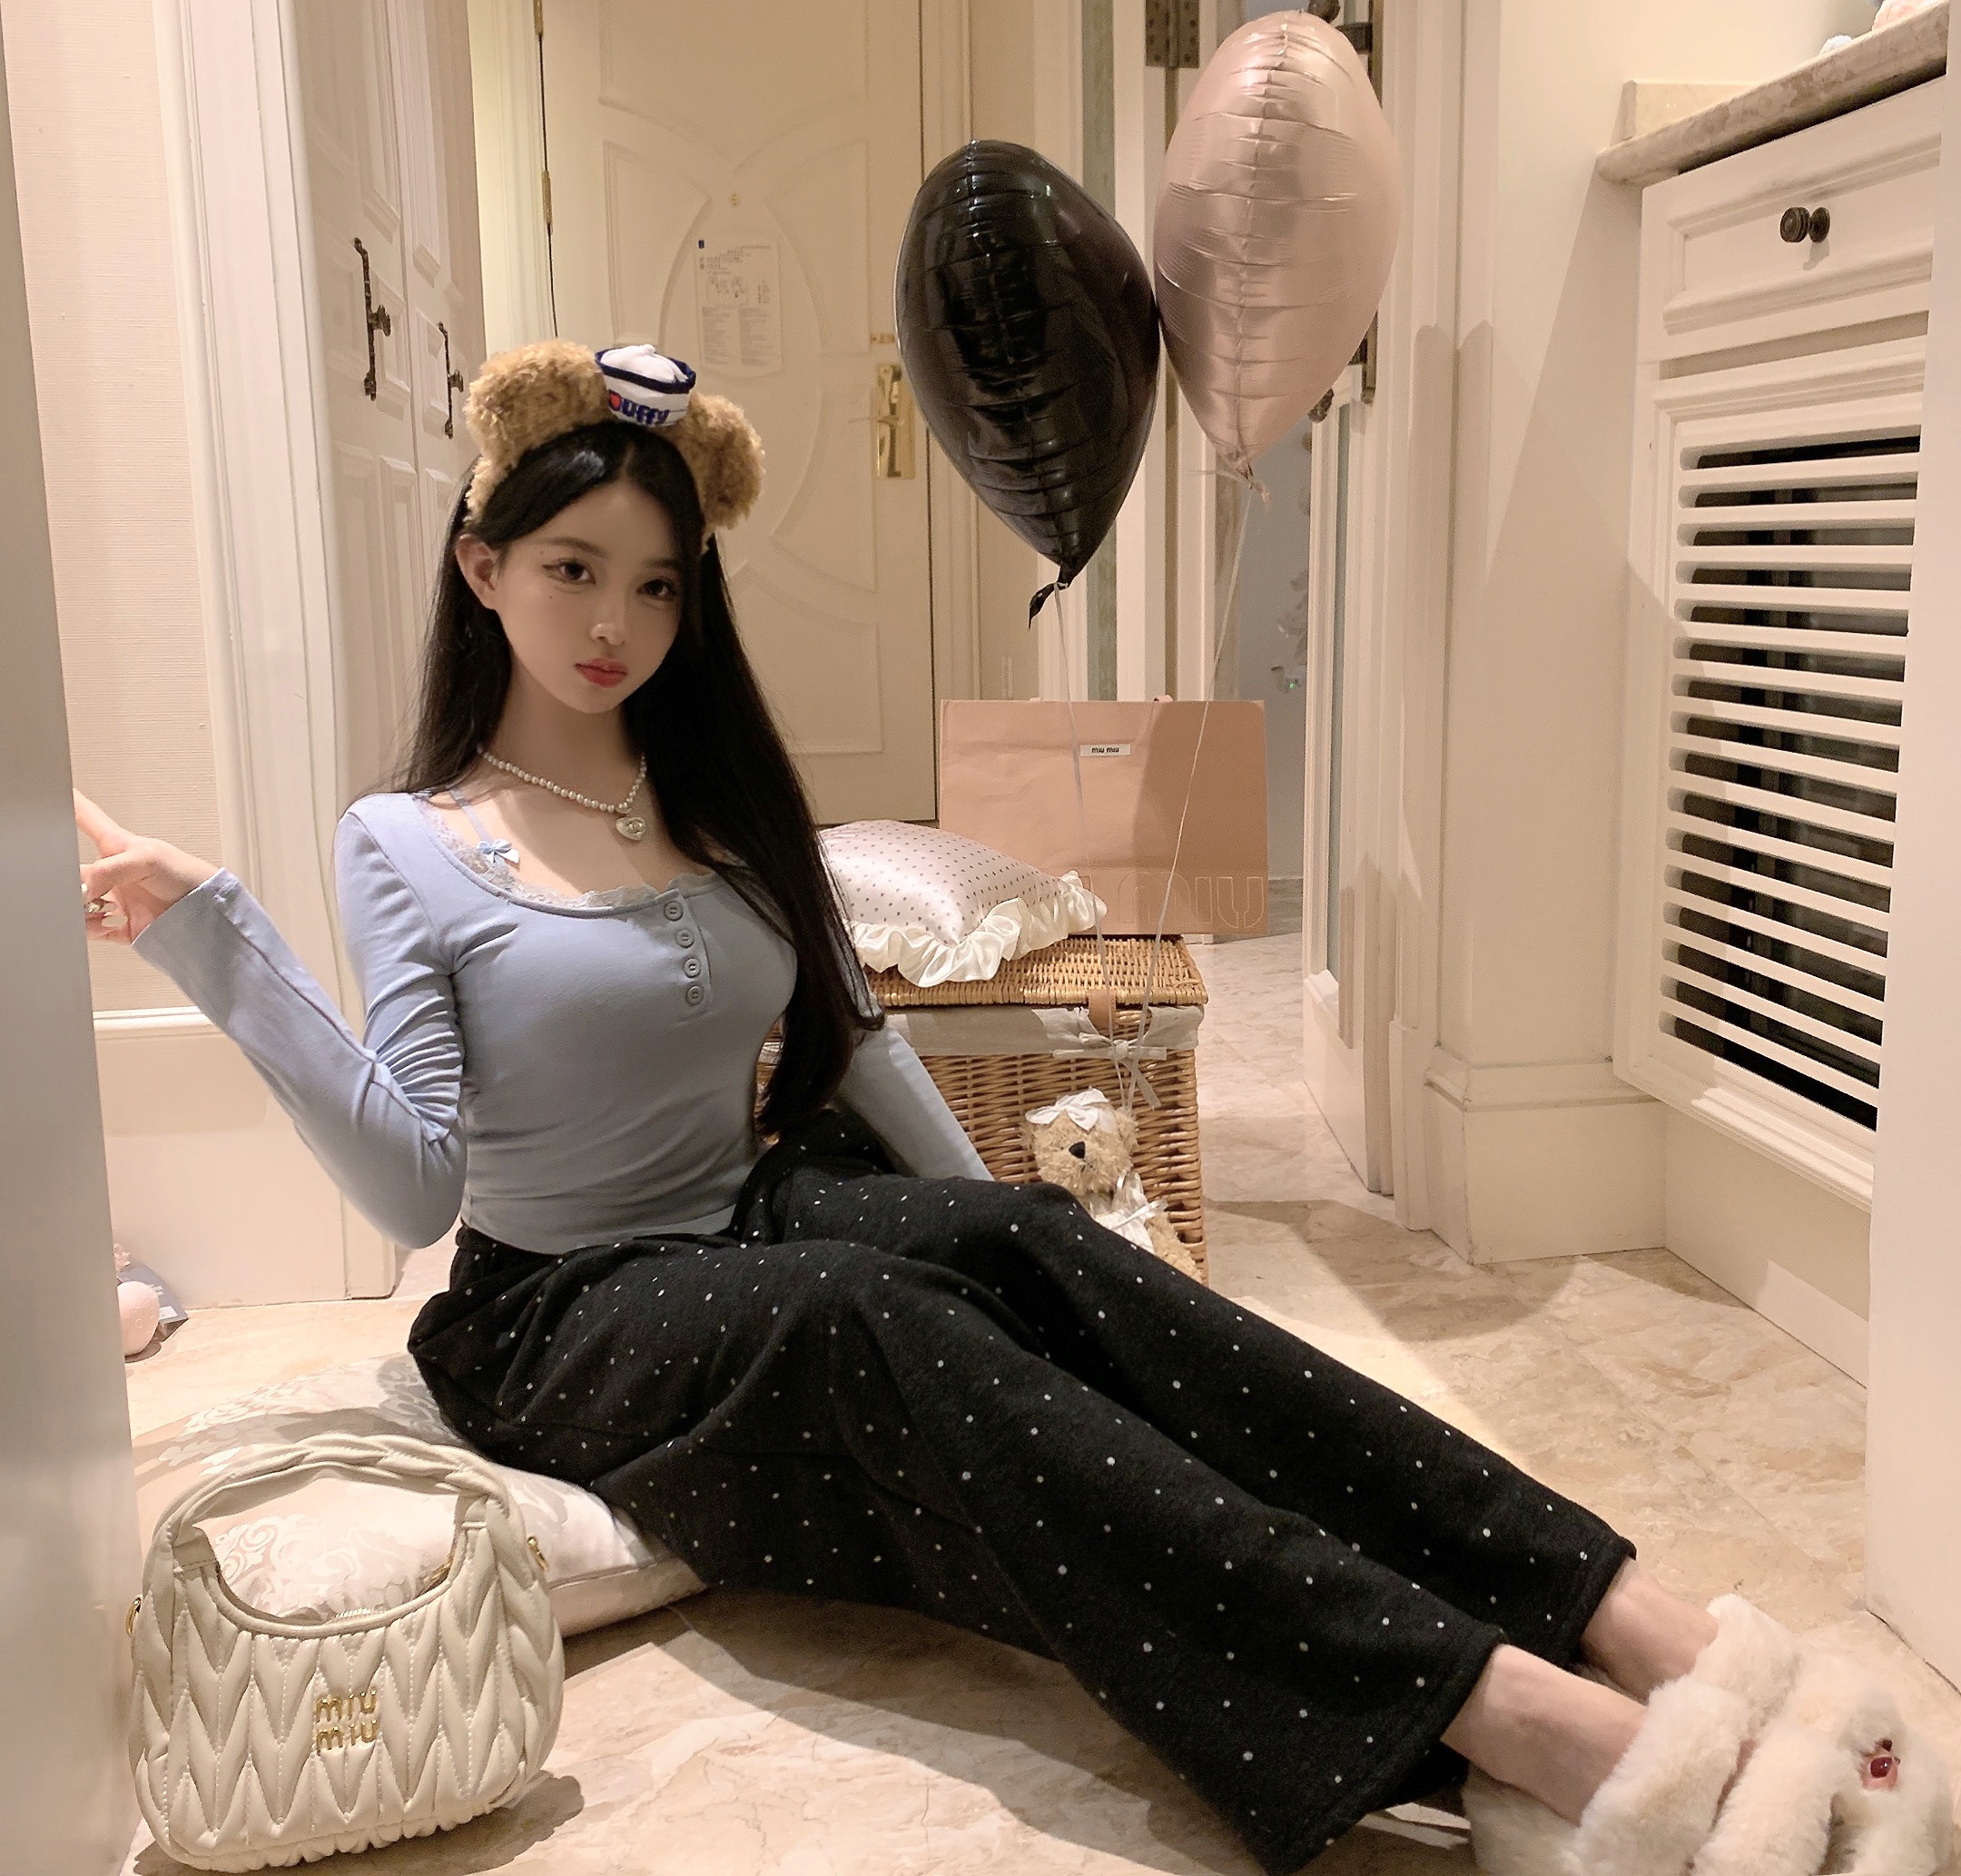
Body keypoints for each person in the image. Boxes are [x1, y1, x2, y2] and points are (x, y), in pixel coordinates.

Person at [74, 341, 1946, 1876]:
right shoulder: (409, 841)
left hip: (749, 1210)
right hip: (564, 1315)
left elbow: (858, 1035)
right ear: (482, 566)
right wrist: (212, 934)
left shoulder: (706, 792)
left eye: (656, 583)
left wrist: (1014, 1240)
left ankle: (1623, 1612)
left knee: (1027, 1250)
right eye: (571, 569)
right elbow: (411, 1186)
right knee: (876, 1314)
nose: (613, 622)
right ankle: (1507, 1715)